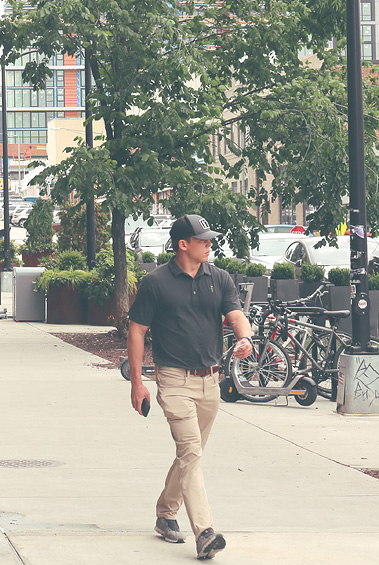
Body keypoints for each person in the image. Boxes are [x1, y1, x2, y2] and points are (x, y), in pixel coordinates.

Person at [126, 214, 253, 560]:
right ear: (183, 244)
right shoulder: (156, 282)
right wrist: (138, 383)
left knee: (190, 456)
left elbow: (235, 314)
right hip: (173, 381)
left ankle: (166, 513)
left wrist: (245, 337)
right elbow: (137, 330)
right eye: (203, 239)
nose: (210, 243)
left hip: (210, 381)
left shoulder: (220, 277)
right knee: (191, 453)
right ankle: (205, 532)